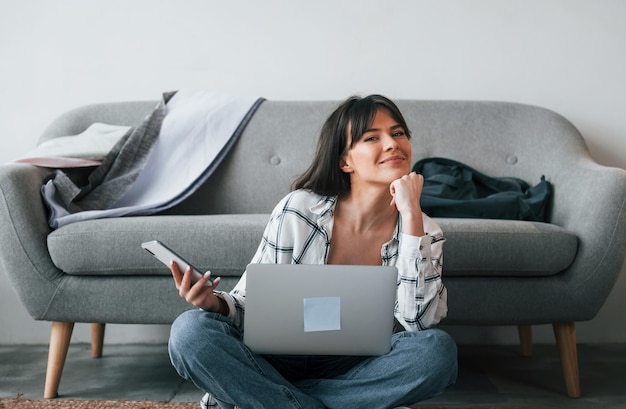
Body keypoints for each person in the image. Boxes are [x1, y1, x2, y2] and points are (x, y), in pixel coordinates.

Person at [167, 94, 458, 409]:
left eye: (398, 133)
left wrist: (412, 215)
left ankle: (269, 398)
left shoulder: (424, 231)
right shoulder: (300, 210)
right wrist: (214, 303)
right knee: (190, 332)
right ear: (345, 161)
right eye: (372, 137)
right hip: (278, 357)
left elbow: (419, 322)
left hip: (352, 364)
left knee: (437, 352)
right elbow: (252, 306)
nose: (391, 143)